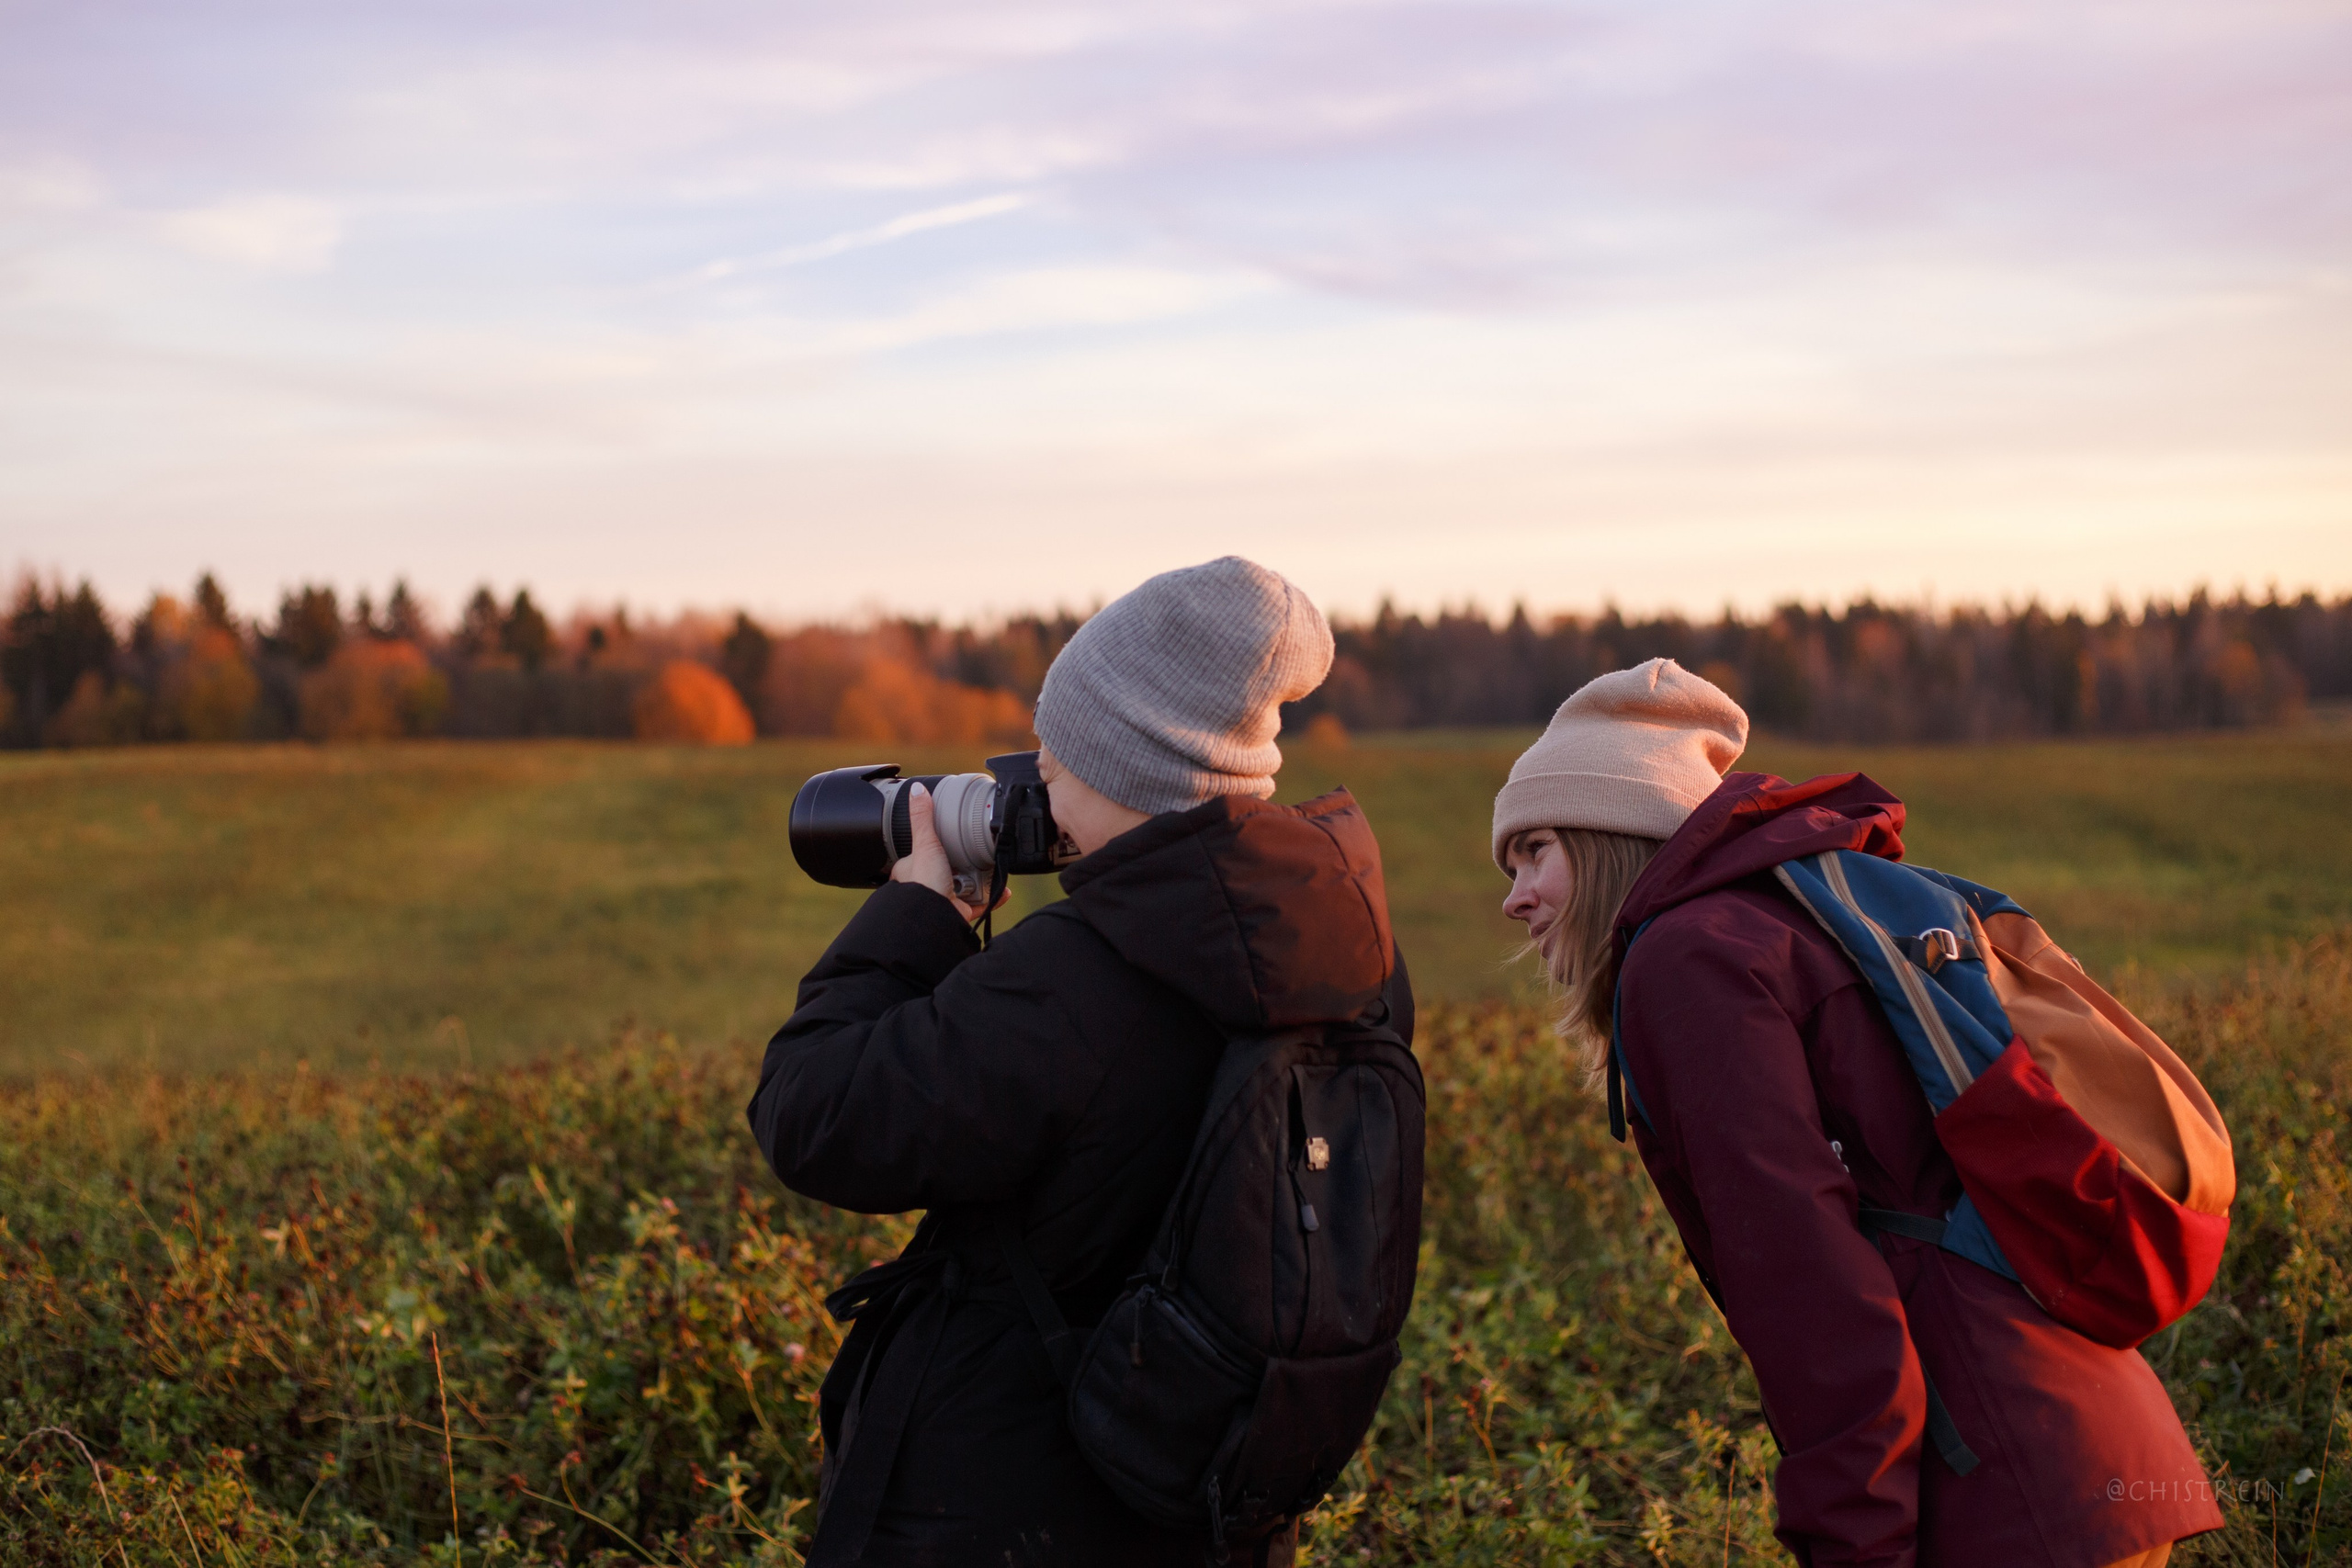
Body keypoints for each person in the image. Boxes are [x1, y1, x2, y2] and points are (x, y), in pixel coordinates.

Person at [749, 557, 1414, 1567]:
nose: (1040, 778)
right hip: (1206, 1491)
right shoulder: (1339, 945)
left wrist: (917, 918)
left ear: (1125, 762)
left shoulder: (1080, 974)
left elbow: (814, 1115)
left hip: (1014, 1501)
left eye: (1059, 751)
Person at [1492, 657, 2220, 1568]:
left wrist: (1854, 1543)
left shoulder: (1690, 963)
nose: (1514, 896)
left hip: (1993, 1487)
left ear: (1609, 835)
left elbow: (1811, 1286)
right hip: (2075, 1447)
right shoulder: (1787, 923)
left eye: (1535, 852)